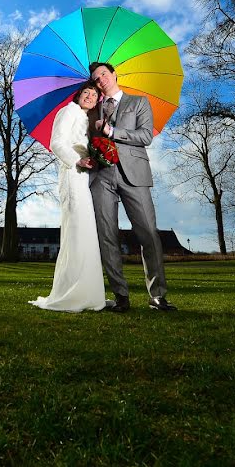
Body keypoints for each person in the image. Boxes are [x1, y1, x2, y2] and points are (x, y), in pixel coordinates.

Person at [89, 61, 176, 312]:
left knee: (148, 233)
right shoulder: (92, 107)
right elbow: (84, 137)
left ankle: (157, 296)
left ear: (114, 75)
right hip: (101, 176)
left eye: (104, 74)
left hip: (134, 174)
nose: (101, 80)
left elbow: (146, 136)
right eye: (96, 78)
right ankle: (120, 296)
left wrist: (112, 130)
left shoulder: (138, 102)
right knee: (107, 236)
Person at [29, 83, 106, 312]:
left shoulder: (87, 119)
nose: (90, 97)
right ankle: (70, 292)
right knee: (75, 229)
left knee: (86, 231)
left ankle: (89, 293)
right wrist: (77, 160)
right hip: (72, 174)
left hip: (85, 176)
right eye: (86, 93)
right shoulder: (68, 111)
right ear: (78, 95)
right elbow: (56, 143)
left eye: (94, 95)